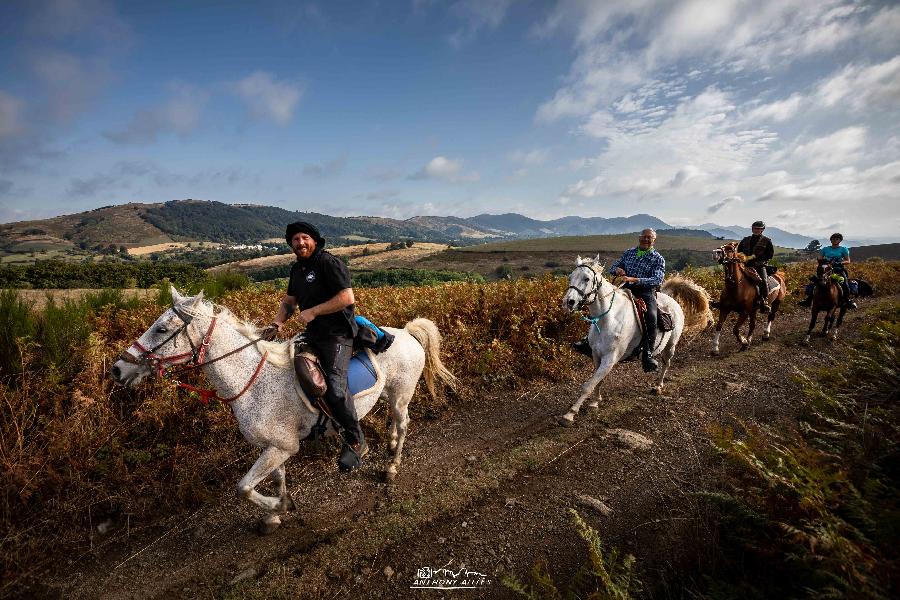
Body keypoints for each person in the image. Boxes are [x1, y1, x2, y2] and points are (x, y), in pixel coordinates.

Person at [265, 221, 366, 472]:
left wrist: (313, 311)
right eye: (295, 240)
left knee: (334, 385)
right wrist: (277, 323)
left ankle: (356, 440)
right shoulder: (297, 270)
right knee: (289, 370)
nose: (300, 243)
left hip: (338, 335)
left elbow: (347, 298)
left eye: (304, 238)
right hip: (313, 334)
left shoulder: (327, 263)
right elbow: (290, 302)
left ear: (314, 240)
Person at [573, 228, 665, 372]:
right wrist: (617, 270)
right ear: (639, 238)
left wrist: (636, 279)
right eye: (644, 237)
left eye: (649, 237)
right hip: (625, 288)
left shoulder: (658, 258)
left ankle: (648, 354)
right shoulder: (629, 253)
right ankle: (588, 340)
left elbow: (657, 279)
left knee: (652, 316)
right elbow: (613, 267)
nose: (646, 239)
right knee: (601, 307)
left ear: (654, 240)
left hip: (645, 292)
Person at [798, 232, 856, 309]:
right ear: (831, 240)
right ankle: (808, 299)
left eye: (837, 239)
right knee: (815, 282)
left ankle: (847, 300)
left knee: (845, 283)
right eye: (833, 239)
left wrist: (839, 262)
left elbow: (848, 260)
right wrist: (825, 261)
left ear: (840, 240)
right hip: (826, 269)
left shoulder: (843, 249)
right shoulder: (825, 249)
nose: (835, 240)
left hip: (838, 269)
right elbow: (819, 258)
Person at [737, 220, 774, 312]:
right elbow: (739, 251)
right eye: (755, 228)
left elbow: (770, 255)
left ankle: (764, 301)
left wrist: (757, 258)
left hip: (759, 266)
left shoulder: (767, 241)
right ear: (752, 229)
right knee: (732, 277)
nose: (756, 230)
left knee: (764, 281)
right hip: (745, 265)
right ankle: (727, 300)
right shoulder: (745, 240)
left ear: (762, 230)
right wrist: (744, 258)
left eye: (758, 229)